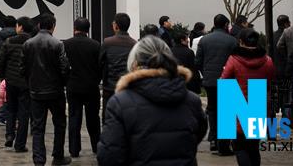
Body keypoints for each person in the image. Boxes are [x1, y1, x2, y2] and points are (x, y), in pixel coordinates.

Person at [97, 35, 207, 166]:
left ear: (134, 63)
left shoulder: (120, 103)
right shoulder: (192, 101)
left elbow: (109, 155)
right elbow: (199, 132)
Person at [221, 29, 276, 166]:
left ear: (241, 41)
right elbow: (271, 82)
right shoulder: (268, 60)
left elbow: (224, 81)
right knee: (253, 146)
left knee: (240, 146)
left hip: (238, 104)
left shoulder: (233, 60)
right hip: (258, 102)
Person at [24, 13, 71, 166]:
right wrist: (62, 83)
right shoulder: (57, 44)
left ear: (39, 25)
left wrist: (31, 82)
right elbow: (65, 68)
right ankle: (58, 156)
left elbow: (23, 68)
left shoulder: (28, 44)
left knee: (38, 127)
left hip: (36, 91)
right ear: (53, 26)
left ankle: (39, 160)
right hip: (55, 91)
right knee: (60, 124)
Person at [196, 13, 237, 155]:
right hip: (228, 79)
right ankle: (224, 145)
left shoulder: (204, 40)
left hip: (210, 81)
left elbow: (198, 62)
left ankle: (213, 139)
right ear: (225, 25)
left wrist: (206, 72)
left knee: (212, 110)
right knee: (227, 111)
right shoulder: (232, 41)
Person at [63, 17, 101, 158]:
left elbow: (63, 66)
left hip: (73, 86)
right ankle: (97, 147)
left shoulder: (66, 44)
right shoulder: (95, 45)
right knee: (93, 119)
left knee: (74, 118)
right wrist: (96, 80)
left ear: (75, 28)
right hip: (91, 87)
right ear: (88, 30)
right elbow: (100, 67)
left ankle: (74, 150)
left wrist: (67, 81)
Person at [0, 16, 33, 153]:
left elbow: (0, 60)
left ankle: (9, 135)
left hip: (11, 81)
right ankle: (20, 144)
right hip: (26, 82)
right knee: (24, 113)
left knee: (11, 108)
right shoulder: (32, 43)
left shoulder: (9, 41)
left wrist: (4, 77)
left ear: (20, 27)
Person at [99, 13, 137, 113]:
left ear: (116, 26)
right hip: (127, 88)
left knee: (108, 117)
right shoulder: (134, 44)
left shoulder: (107, 42)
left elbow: (100, 63)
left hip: (109, 87)